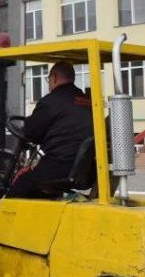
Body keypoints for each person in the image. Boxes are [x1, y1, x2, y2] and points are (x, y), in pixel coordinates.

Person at [5, 62, 93, 200]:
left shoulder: (51, 101)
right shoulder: (86, 101)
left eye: (48, 80)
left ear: (54, 78)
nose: (49, 84)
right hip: (85, 167)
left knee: (22, 182)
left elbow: (30, 132)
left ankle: (2, 217)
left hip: (61, 164)